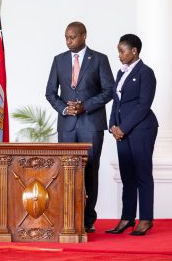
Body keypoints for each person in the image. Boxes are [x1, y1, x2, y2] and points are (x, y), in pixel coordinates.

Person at [45, 21, 114, 233]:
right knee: (66, 172)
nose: (68, 41)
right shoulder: (59, 60)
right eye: (66, 37)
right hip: (67, 125)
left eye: (72, 37)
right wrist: (65, 109)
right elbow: (50, 93)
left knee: (90, 170)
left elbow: (109, 90)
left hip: (91, 124)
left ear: (83, 35)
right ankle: (67, 219)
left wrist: (85, 106)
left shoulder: (99, 59)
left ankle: (87, 220)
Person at [105, 34, 158, 236]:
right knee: (127, 176)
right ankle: (127, 218)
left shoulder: (146, 73)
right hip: (122, 132)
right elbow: (116, 102)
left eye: (122, 50)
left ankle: (145, 219)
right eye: (118, 50)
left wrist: (123, 128)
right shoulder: (121, 73)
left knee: (142, 174)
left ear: (134, 51)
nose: (119, 55)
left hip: (142, 129)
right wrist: (112, 126)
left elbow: (143, 105)